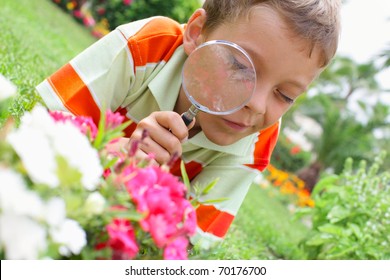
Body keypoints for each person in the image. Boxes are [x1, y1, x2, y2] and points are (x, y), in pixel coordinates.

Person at [36, 0, 341, 247]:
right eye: (239, 65)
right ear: (197, 32)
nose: (257, 105)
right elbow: (42, 123)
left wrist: (142, 190)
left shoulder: (258, 138)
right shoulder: (148, 46)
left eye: (285, 95)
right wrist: (109, 154)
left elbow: (190, 244)